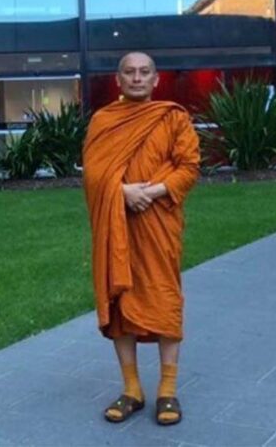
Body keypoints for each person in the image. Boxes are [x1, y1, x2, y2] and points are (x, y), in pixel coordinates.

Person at [82, 52, 200, 426]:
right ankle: (132, 389)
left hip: (159, 223)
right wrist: (122, 193)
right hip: (117, 226)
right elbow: (93, 175)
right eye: (129, 72)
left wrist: (152, 192)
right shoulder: (103, 121)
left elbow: (189, 167)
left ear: (155, 79)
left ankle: (168, 390)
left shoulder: (173, 117)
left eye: (144, 72)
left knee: (165, 298)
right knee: (121, 303)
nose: (137, 78)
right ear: (118, 80)